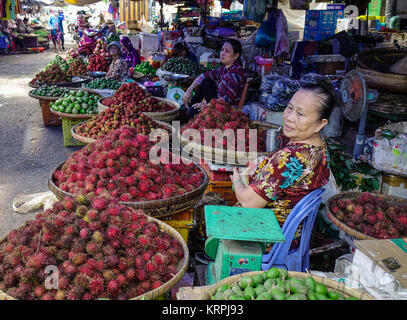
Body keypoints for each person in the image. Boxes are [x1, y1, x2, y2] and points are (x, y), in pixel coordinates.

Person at [230, 76, 334, 248]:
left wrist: (237, 181)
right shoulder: (319, 149)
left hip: (271, 236)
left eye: (300, 114)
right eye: (289, 108)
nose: (289, 117)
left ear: (320, 124)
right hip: (292, 234)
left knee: (208, 219)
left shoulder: (289, 159)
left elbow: (248, 203)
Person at [182, 39, 247, 120]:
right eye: (222, 50)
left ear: (235, 56)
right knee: (206, 82)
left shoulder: (235, 73)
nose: (222, 53)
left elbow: (227, 100)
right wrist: (190, 88)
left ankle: (189, 109)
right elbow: (205, 75)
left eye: (227, 51)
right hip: (218, 99)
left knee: (191, 113)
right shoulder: (224, 68)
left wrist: (207, 105)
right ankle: (189, 105)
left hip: (226, 108)